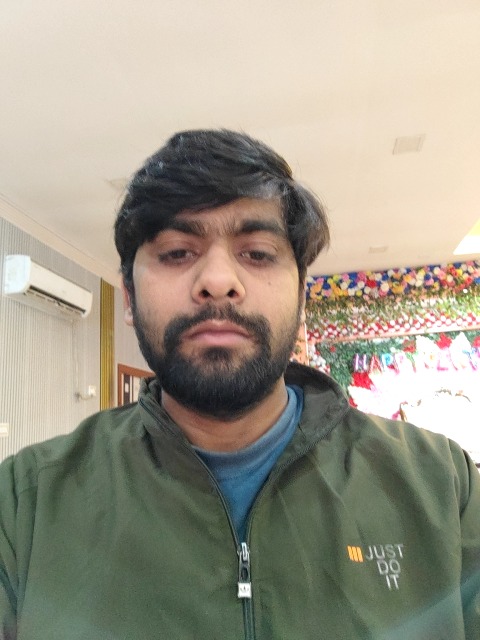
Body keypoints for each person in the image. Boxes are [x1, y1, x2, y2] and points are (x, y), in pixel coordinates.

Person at [0, 129, 479, 640]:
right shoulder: (25, 503)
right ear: (130, 297)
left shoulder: (443, 486)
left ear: (302, 294)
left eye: (257, 253)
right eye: (177, 252)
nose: (218, 280)